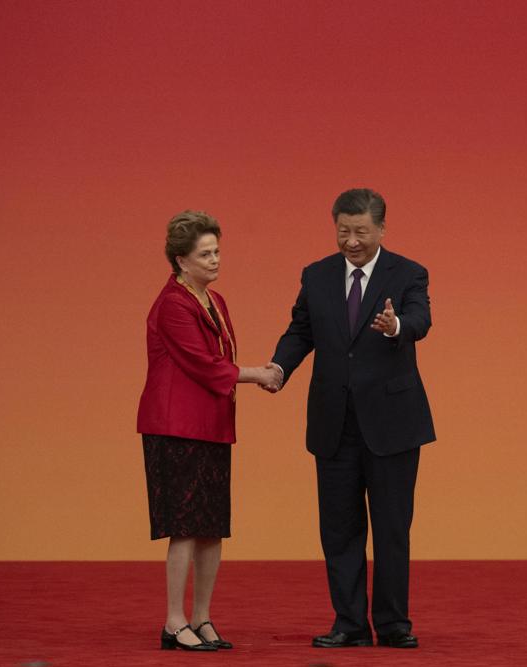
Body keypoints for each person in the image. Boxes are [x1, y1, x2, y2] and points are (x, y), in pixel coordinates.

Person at [264, 188, 435, 649]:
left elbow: (420, 319)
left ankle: (395, 625)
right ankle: (350, 624)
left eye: (361, 231)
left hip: (392, 424)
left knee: (392, 527)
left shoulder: (408, 273)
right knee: (339, 529)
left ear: (381, 228)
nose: (352, 241)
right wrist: (280, 368)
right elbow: (301, 330)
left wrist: (396, 327)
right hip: (333, 423)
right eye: (344, 230)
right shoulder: (317, 275)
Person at [137, 210, 279, 651]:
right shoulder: (172, 305)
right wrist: (259, 373)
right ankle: (173, 621)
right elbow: (204, 364)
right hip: (175, 426)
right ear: (181, 260)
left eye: (217, 251)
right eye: (205, 254)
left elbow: (217, 363)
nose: (215, 260)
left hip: (212, 425)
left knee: (212, 526)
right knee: (184, 526)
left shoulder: (215, 301)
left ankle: (201, 617)